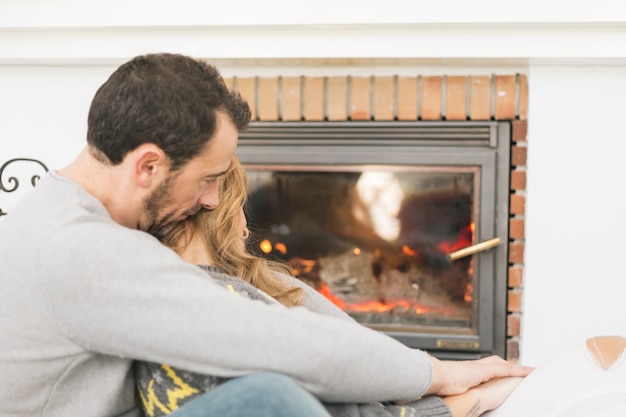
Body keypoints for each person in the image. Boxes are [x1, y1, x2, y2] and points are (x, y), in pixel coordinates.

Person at [0, 52, 532, 417]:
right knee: (270, 396)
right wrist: (439, 374)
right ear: (148, 167)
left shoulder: (63, 217)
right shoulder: (80, 250)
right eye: (208, 179)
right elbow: (285, 344)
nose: (213, 199)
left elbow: (284, 317)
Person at [136, 156, 526, 417]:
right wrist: (469, 398)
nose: (245, 225)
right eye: (240, 206)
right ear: (211, 202)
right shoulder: (229, 306)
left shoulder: (162, 298)